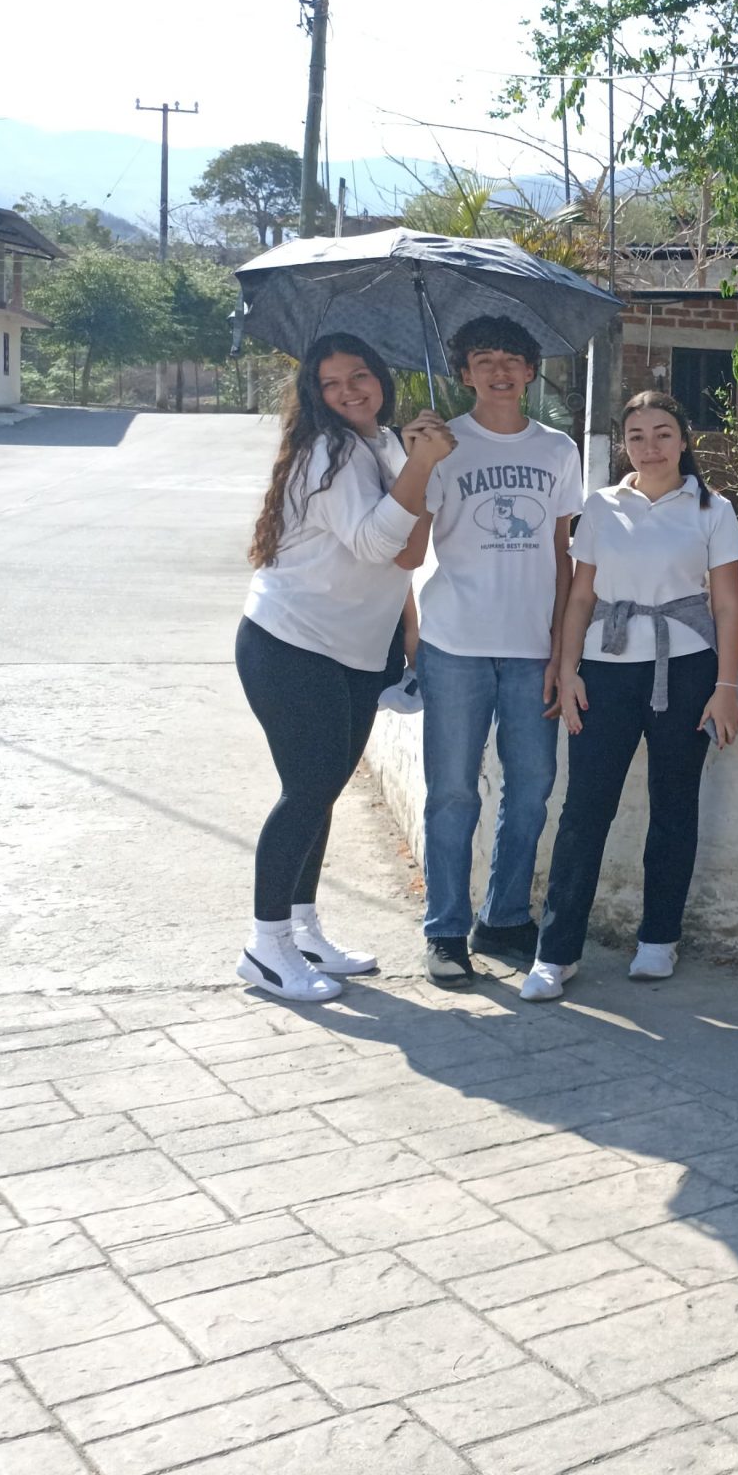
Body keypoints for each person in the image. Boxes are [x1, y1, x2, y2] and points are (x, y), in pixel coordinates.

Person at [236, 332, 455, 1000]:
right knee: (305, 791)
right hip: (290, 644)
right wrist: (418, 473)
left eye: (359, 375)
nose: (349, 390)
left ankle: (302, 929)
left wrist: (421, 464)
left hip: (354, 650)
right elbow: (368, 538)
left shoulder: (384, 443)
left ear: (381, 377)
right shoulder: (325, 452)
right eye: (332, 384)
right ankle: (265, 945)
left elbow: (407, 554)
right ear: (316, 396)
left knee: (321, 788)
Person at [523, 391, 738, 1001]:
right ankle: (557, 951)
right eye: (638, 435)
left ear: (684, 439)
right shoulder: (601, 505)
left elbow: (726, 604)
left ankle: (658, 939)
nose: (650, 446)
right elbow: (582, 597)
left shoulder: (710, 508)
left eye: (663, 433)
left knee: (673, 804)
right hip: (606, 669)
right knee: (585, 809)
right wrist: (568, 672)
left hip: (687, 669)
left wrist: (726, 687)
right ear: (624, 442)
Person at [413, 316, 583, 981]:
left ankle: (505, 917)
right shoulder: (444, 447)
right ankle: (446, 930)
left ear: (531, 371)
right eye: (485, 359)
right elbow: (410, 547)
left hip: (530, 648)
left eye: (513, 359)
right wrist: (421, 457)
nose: (501, 371)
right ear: (464, 373)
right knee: (453, 793)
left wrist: (559, 649)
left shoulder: (558, 450)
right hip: (454, 643)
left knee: (533, 788)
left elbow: (563, 555)